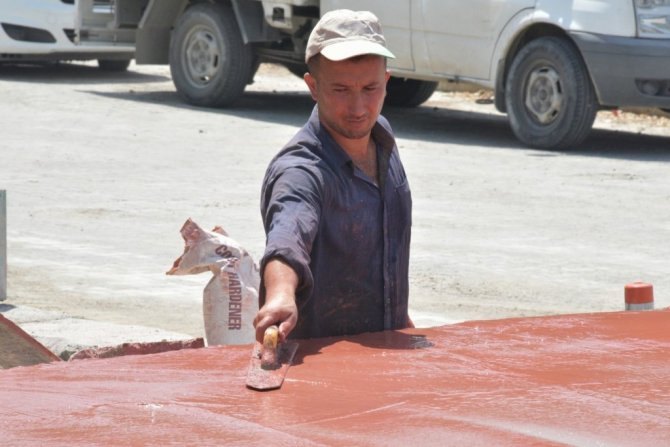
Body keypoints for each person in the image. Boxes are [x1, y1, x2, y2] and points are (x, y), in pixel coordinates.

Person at [254, 9, 413, 342]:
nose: (358, 108)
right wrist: (281, 294)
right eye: (340, 90)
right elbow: (288, 236)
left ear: (386, 82)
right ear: (313, 86)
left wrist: (403, 326)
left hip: (387, 356)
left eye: (370, 88)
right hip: (322, 365)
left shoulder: (382, 136)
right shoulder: (301, 171)